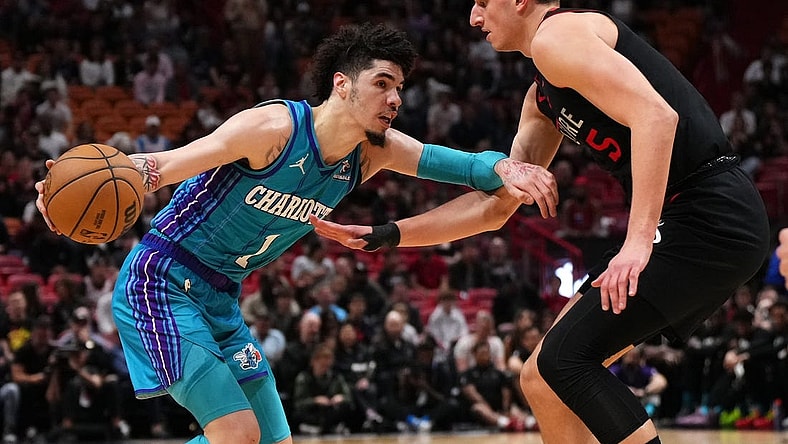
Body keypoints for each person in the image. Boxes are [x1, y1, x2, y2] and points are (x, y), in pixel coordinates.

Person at [35, 23, 555, 444]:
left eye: (400, 88)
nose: (395, 98)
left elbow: (465, 167)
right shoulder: (274, 129)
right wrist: (69, 189)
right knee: (236, 434)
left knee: (272, 441)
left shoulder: (374, 151)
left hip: (219, 296)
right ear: (341, 83)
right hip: (162, 281)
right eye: (382, 84)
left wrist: (509, 169)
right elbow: (163, 165)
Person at [311, 3, 771, 443]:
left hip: (708, 211)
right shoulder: (542, 94)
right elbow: (497, 206)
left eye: (482, 2)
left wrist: (636, 242)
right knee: (541, 378)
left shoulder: (558, 35)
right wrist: (388, 235)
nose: (474, 17)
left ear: (520, 1)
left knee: (565, 359)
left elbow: (656, 116)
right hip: (693, 217)